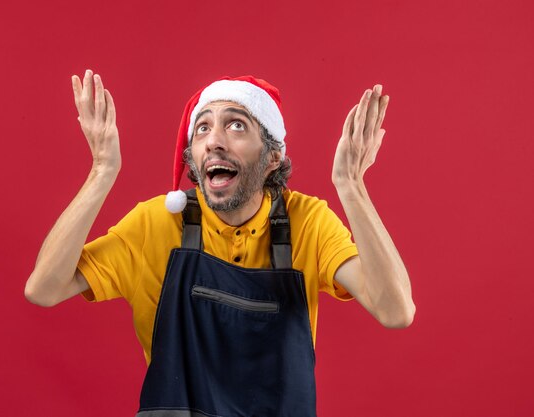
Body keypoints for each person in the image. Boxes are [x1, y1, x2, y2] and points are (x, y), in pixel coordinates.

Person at [25, 70, 415, 417]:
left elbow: (395, 311)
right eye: (203, 128)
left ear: (273, 156)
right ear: (193, 159)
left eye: (236, 126)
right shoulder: (157, 224)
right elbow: (45, 288)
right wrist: (101, 173)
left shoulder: (308, 224)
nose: (214, 141)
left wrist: (352, 186)